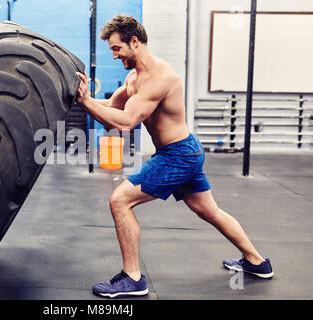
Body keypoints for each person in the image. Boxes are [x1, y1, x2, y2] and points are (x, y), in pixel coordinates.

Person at [76, 14, 273, 299]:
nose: (115, 55)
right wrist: (80, 97)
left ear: (134, 42)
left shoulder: (161, 78)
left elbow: (125, 122)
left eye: (117, 48)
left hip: (177, 155)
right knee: (209, 211)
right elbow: (108, 108)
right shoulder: (133, 78)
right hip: (185, 151)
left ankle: (132, 278)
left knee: (120, 200)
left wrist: (85, 103)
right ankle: (257, 262)